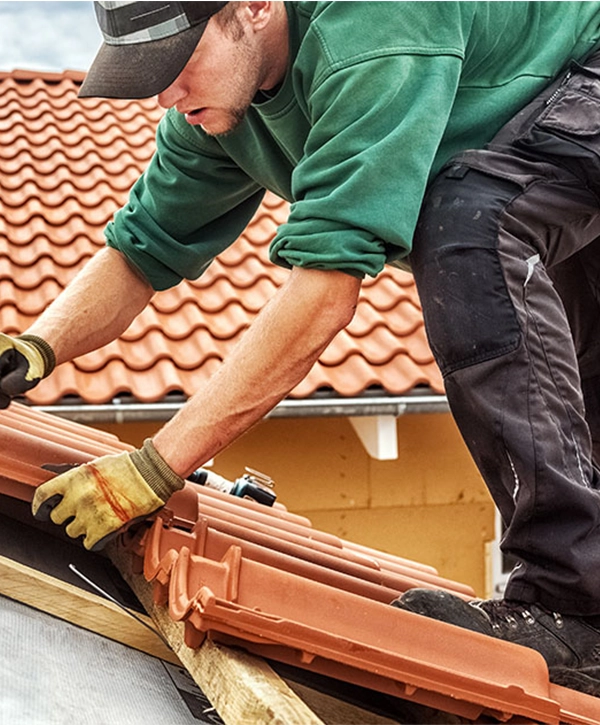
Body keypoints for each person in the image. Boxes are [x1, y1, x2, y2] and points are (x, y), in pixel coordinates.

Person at [1, 0, 600, 695]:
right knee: (573, 361)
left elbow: (324, 293)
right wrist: (35, 348)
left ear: (253, 7)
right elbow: (142, 249)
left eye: (177, 65)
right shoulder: (221, 107)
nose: (166, 96)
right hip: (550, 148)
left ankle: (569, 602)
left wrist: (154, 467)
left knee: (468, 225)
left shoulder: (373, 25)